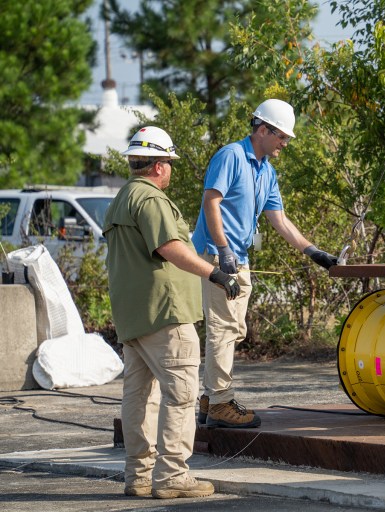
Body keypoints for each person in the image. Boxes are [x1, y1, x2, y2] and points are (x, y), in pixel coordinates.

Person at [104, 127, 240, 499]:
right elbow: (168, 246)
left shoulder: (122, 198)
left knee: (139, 396)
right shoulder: (150, 200)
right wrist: (213, 272)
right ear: (160, 165)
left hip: (135, 317)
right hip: (165, 314)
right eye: (170, 163)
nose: (171, 170)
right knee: (180, 393)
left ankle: (140, 476)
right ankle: (172, 477)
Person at [192, 99, 338, 428]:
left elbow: (279, 220)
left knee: (234, 329)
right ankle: (219, 403)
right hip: (218, 256)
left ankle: (210, 397)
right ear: (263, 130)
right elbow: (211, 202)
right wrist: (223, 249)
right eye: (282, 137)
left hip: (237, 257)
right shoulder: (231, 155)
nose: (284, 143)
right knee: (224, 330)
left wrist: (313, 251)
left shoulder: (266, 171)